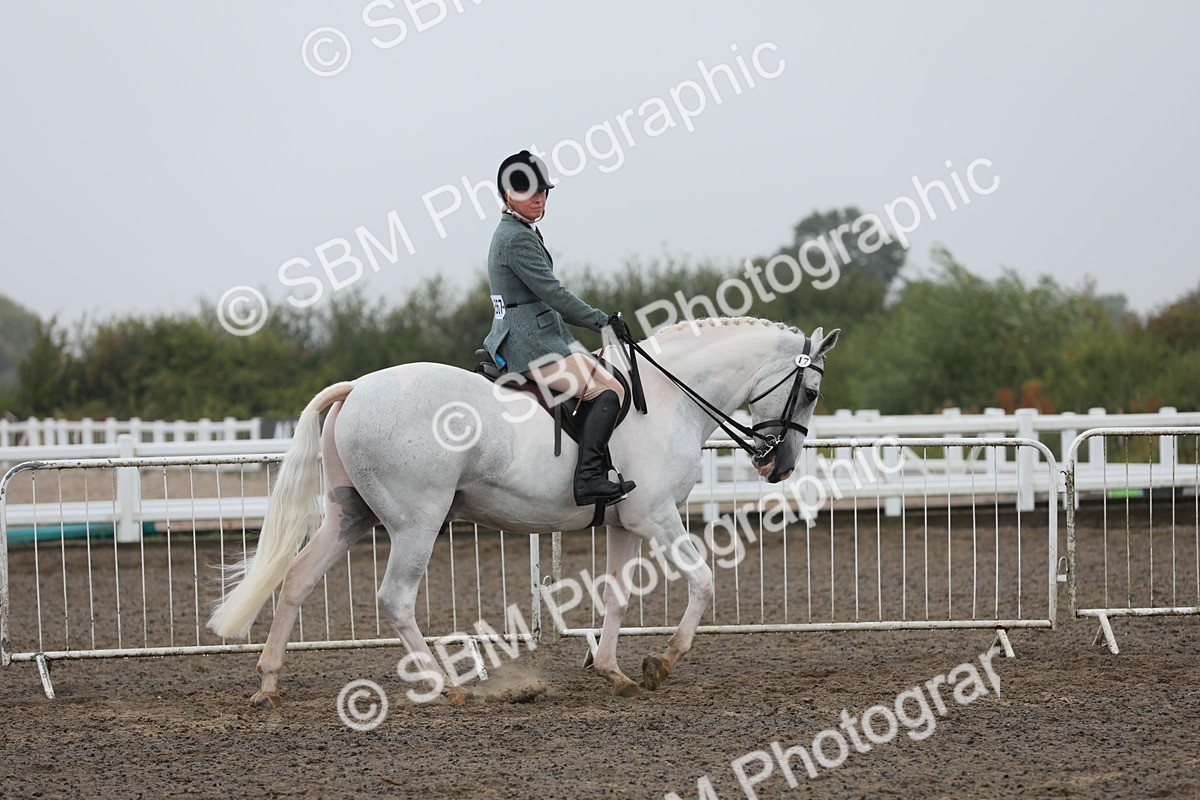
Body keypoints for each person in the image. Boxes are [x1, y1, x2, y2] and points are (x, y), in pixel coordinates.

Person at [483, 150, 636, 506]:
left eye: (544, 191)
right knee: (608, 390)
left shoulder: (518, 230)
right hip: (528, 342)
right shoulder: (516, 238)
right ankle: (588, 479)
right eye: (529, 192)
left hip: (534, 334)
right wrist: (603, 321)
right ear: (508, 196)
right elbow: (553, 293)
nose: (539, 198)